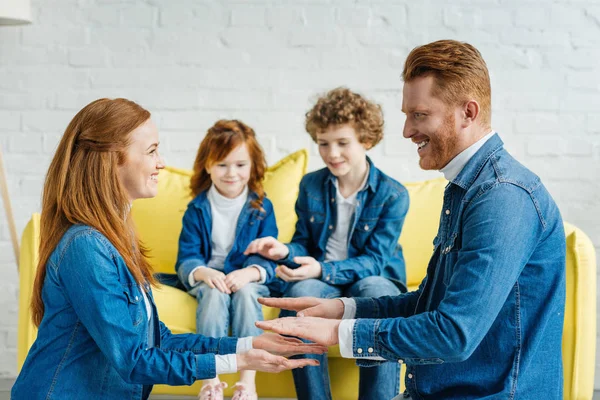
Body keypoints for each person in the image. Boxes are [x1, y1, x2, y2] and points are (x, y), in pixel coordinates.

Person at [256, 40, 566, 399]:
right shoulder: (466, 189)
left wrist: (336, 335)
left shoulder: (503, 197)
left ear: (468, 112)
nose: (406, 131)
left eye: (419, 115)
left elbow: (453, 333)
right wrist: (342, 309)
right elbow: (429, 303)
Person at [11, 98, 325, 400]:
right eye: (151, 151)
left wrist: (249, 343)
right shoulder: (86, 248)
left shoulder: (115, 238)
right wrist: (240, 361)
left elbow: (158, 341)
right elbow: (136, 360)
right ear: (111, 160)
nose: (161, 163)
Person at [245, 87, 410, 400]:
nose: (332, 153)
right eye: (324, 143)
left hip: (369, 277)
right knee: (299, 298)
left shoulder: (393, 194)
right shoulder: (311, 185)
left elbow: (375, 260)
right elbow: (303, 243)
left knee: (381, 295)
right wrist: (285, 252)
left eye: (342, 143)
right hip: (321, 279)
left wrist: (321, 267)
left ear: (366, 140)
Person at [175, 119, 287, 400]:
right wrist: (203, 273)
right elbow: (187, 257)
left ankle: (247, 380)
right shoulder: (197, 208)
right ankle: (210, 378)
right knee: (213, 294)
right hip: (209, 278)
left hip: (246, 278)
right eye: (222, 164)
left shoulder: (261, 207)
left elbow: (269, 261)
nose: (231, 173)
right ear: (207, 165)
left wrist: (249, 274)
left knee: (248, 294)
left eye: (240, 165)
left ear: (253, 166)